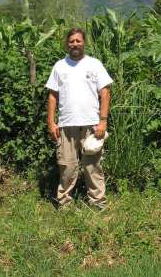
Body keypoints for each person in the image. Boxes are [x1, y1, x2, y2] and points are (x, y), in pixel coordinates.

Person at [46, 27, 113, 209]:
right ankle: (64, 203)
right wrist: (51, 122)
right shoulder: (60, 66)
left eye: (78, 40)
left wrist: (103, 121)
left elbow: (105, 93)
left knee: (93, 166)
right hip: (66, 125)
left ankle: (98, 203)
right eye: (71, 41)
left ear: (84, 42)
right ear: (67, 44)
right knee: (67, 166)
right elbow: (52, 96)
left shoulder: (94, 64)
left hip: (92, 124)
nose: (75, 44)